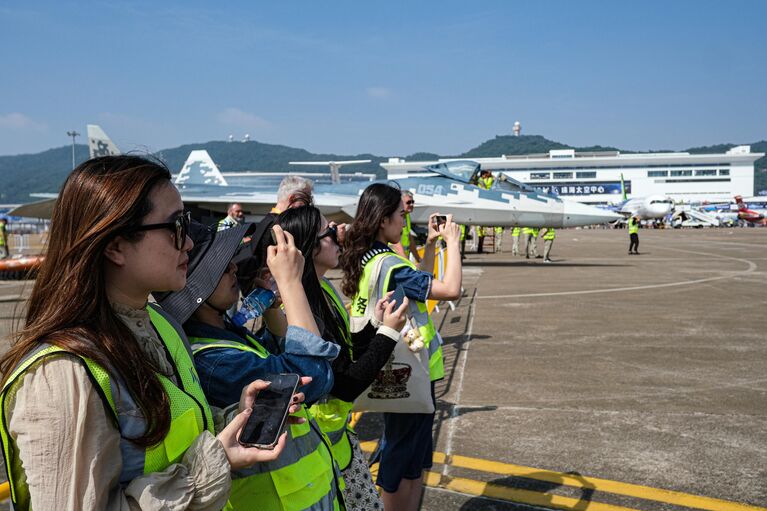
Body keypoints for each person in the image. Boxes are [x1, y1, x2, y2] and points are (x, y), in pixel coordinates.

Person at [0, 155, 297, 510]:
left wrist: (235, 421)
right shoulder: (63, 374)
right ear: (115, 245)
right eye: (176, 226)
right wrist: (213, 465)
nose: (188, 243)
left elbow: (176, 437)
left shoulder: (160, 323)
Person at [156, 218, 345, 510]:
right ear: (196, 287)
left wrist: (271, 309)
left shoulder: (226, 337)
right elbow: (314, 377)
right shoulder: (212, 361)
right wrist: (291, 282)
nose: (232, 267)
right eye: (218, 268)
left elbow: (280, 358)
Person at [277, 205, 410, 511]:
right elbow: (345, 383)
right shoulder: (300, 311)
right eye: (329, 233)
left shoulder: (324, 289)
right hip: (323, 450)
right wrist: (388, 334)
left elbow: (343, 350)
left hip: (339, 442)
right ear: (309, 248)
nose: (339, 238)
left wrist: (375, 325)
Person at [339, 183, 462, 511]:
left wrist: (432, 246)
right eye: (399, 215)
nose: (403, 221)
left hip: (395, 366)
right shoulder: (393, 266)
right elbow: (450, 290)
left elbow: (418, 286)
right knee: (401, 460)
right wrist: (453, 243)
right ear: (383, 220)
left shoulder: (373, 261)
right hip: (411, 371)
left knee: (406, 456)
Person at [393, 191, 421, 263]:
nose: (411, 204)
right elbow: (396, 245)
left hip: (403, 260)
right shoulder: (395, 217)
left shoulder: (407, 216)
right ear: (401, 203)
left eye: (412, 202)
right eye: (408, 202)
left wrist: (418, 259)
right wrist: (408, 264)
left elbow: (409, 238)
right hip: (395, 260)